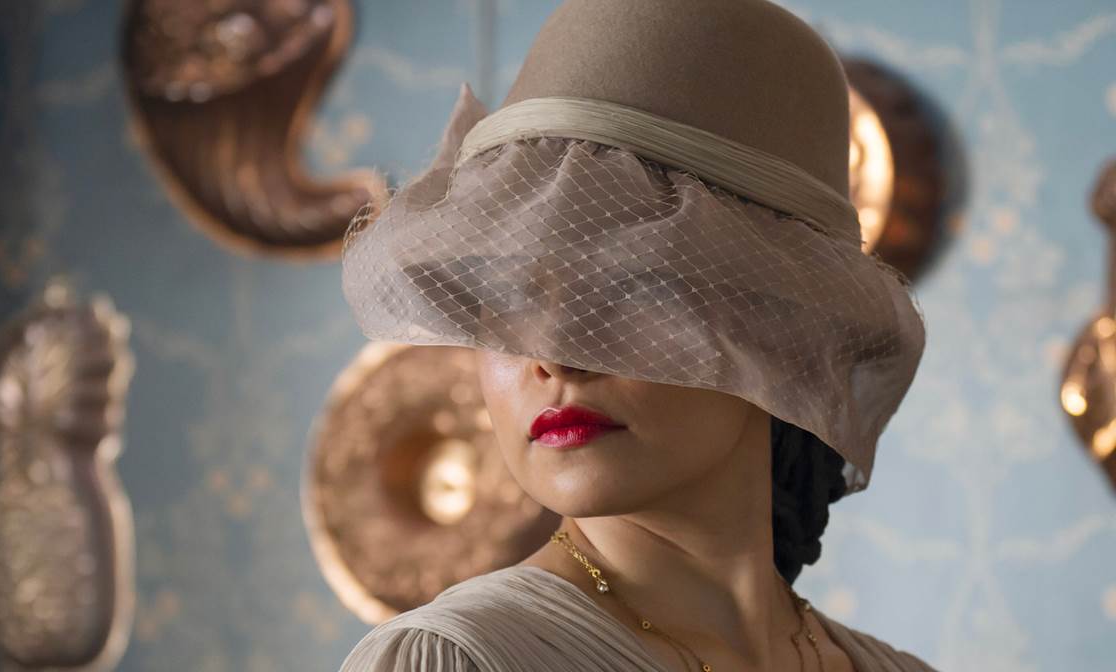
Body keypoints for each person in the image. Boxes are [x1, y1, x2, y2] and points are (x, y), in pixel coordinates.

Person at [337, 0, 936, 670]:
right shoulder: (456, 660)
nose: (552, 356)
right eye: (511, 300)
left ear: (787, 332)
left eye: (626, 286)